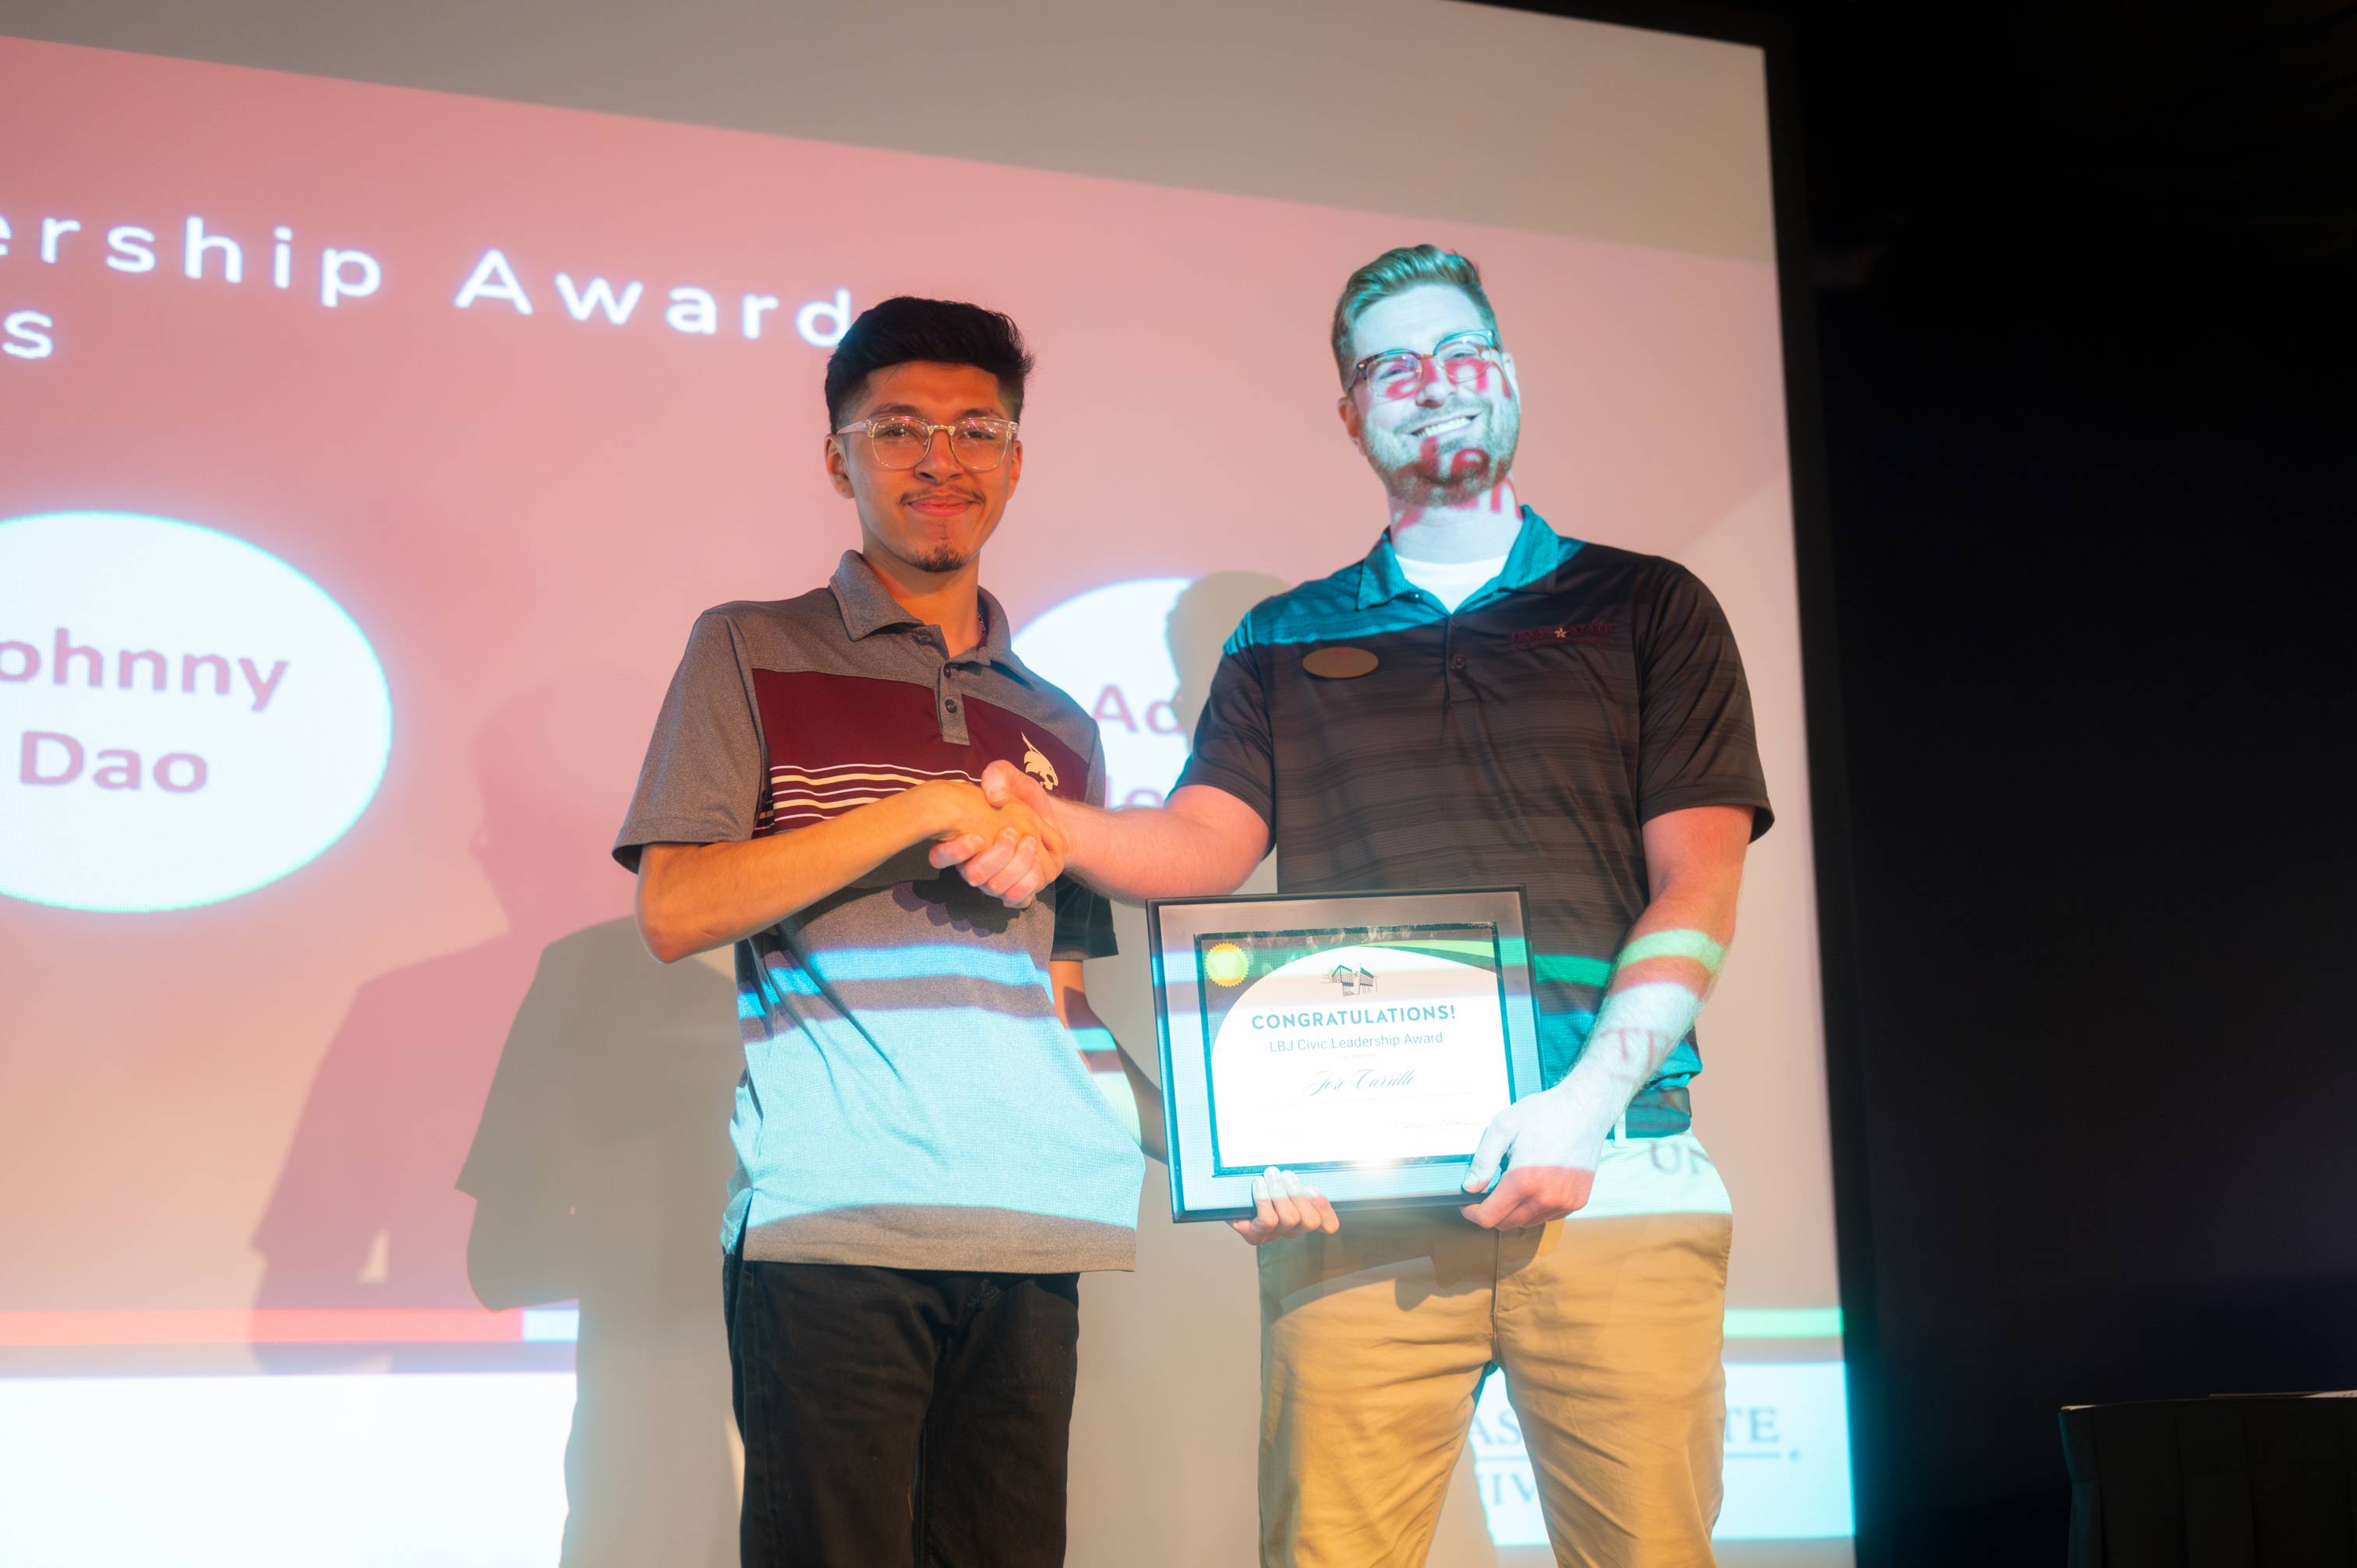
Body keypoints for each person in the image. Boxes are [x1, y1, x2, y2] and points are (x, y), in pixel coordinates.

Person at [941, 246, 1771, 1567]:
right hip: (1359, 1207)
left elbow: (1700, 882)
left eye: (1460, 352)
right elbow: (1205, 846)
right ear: (1350, 412)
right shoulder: (1279, 637)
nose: (1433, 384)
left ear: (1507, 373)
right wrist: (1054, 827)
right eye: (1392, 366)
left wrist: (1584, 1103)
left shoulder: (1648, 605)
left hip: (1615, 1172)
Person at [614, 295, 1157, 1567]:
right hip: (837, 1225)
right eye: (899, 428)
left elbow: (1061, 1002)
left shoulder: (1062, 723)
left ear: (1014, 461)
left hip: (1034, 1224)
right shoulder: (749, 648)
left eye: (976, 430)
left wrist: (1223, 1156)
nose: (939, 459)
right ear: (837, 458)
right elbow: (677, 909)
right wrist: (917, 809)